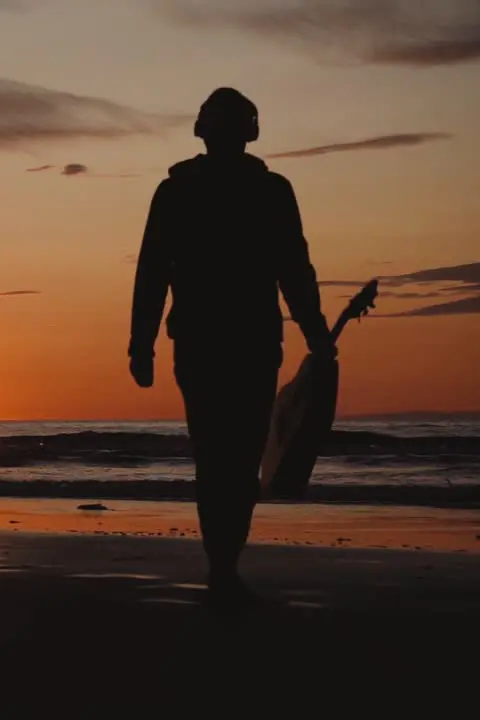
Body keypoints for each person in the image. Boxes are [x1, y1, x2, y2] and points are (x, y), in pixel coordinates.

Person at [127, 87, 334, 612]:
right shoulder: (187, 192)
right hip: (226, 342)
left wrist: (315, 331)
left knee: (222, 457)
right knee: (230, 458)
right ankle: (223, 566)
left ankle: (223, 565)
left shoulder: (263, 192)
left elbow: (293, 268)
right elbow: (153, 270)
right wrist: (140, 343)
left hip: (233, 342)